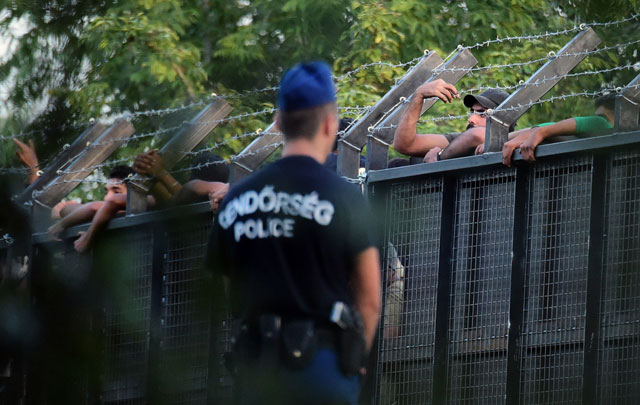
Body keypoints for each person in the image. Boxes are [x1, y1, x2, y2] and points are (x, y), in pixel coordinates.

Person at [206, 61, 381, 404]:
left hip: (259, 370)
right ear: (331, 123)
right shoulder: (345, 198)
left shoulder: (236, 200)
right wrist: (354, 360)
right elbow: (370, 299)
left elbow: (230, 294)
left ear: (278, 122)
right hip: (325, 369)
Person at [393, 84, 511, 162]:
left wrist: (440, 156)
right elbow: (405, 145)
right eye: (472, 112)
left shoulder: (514, 143)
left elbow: (476, 135)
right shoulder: (460, 140)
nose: (471, 119)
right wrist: (419, 95)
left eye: (482, 113)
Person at [497, 94, 616, 166]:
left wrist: (539, 132)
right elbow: (550, 127)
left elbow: (550, 128)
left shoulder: (602, 123)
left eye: (601, 116)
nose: (597, 119)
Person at [48, 165, 136, 252]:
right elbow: (67, 210)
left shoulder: (135, 205)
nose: (107, 198)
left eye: (116, 192)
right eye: (106, 192)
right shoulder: (105, 213)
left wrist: (60, 225)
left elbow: (93, 207)